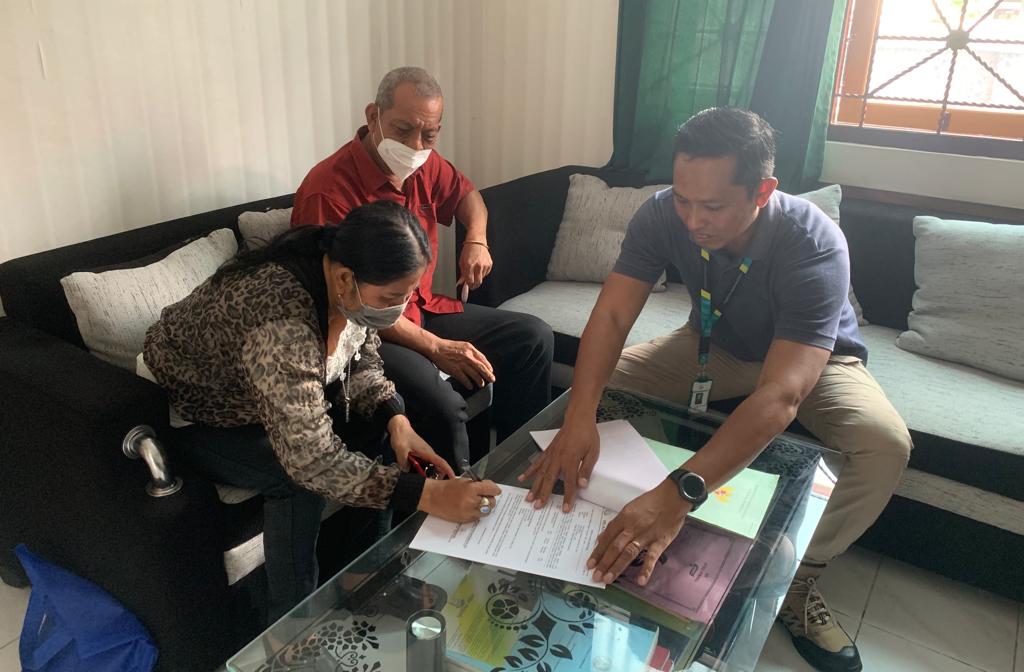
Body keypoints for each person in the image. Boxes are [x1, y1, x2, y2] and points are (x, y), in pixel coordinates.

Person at [521, 108, 911, 672]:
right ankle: (619, 519)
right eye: (684, 199)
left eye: (712, 206)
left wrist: (680, 492)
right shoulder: (662, 213)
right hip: (716, 346)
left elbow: (782, 394)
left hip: (814, 361)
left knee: (884, 444)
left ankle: (794, 579)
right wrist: (581, 414)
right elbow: (611, 316)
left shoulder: (813, 242)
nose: (693, 221)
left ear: (763, 191)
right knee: (602, 388)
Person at [143, 201, 501, 622]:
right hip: (197, 411)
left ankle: (365, 578)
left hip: (263, 394)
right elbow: (309, 461)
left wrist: (397, 420)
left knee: (378, 429)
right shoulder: (280, 323)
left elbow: (362, 359)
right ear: (346, 278)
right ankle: (293, 622)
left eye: (407, 295)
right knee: (294, 480)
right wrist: (427, 495)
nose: (399, 309)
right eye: (392, 298)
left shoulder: (345, 284)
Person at [291, 66, 554, 465]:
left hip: (423, 307)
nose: (416, 145)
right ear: (373, 116)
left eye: (429, 135)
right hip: (367, 330)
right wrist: (436, 347)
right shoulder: (328, 191)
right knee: (442, 406)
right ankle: (452, 496)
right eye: (403, 130)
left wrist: (476, 239)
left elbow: (467, 196)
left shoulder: (422, 164)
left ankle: (520, 466)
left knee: (533, 337)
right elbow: (345, 302)